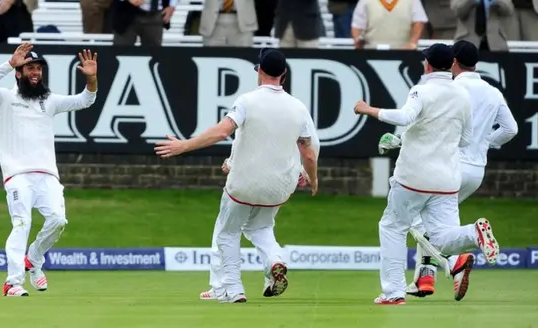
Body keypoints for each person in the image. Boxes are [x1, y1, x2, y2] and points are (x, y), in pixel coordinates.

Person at [155, 48, 319, 303]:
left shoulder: (247, 101)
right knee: (261, 227)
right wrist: (313, 178)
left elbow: (222, 132)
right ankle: (275, 261)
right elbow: (308, 151)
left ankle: (232, 289)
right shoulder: (298, 107)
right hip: (280, 187)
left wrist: (183, 146)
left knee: (227, 232)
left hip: (244, 183)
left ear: (260, 71)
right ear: (284, 73)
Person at [353, 43, 500, 305]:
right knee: (442, 237)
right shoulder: (462, 96)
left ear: (428, 65)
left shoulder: (422, 90)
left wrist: (368, 109)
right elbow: (466, 140)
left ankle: (394, 292)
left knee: (392, 227)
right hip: (447, 179)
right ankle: (473, 234)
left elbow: (404, 117)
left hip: (413, 176)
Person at [387, 40, 516, 301]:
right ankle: (425, 278)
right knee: (435, 224)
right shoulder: (492, 92)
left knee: (421, 222)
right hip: (475, 171)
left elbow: (427, 124)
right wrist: (485, 143)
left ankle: (454, 262)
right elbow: (510, 129)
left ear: (453, 62)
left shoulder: (450, 88)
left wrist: (398, 140)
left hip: (446, 166)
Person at [0, 42, 98, 296]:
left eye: (38, 68)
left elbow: (85, 101)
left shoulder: (49, 101)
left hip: (47, 175)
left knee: (58, 220)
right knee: (22, 222)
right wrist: (9, 64)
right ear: (18, 73)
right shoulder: (5, 99)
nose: (35, 72)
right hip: (17, 175)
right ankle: (13, 282)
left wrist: (92, 79)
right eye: (29, 67)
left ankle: (33, 258)